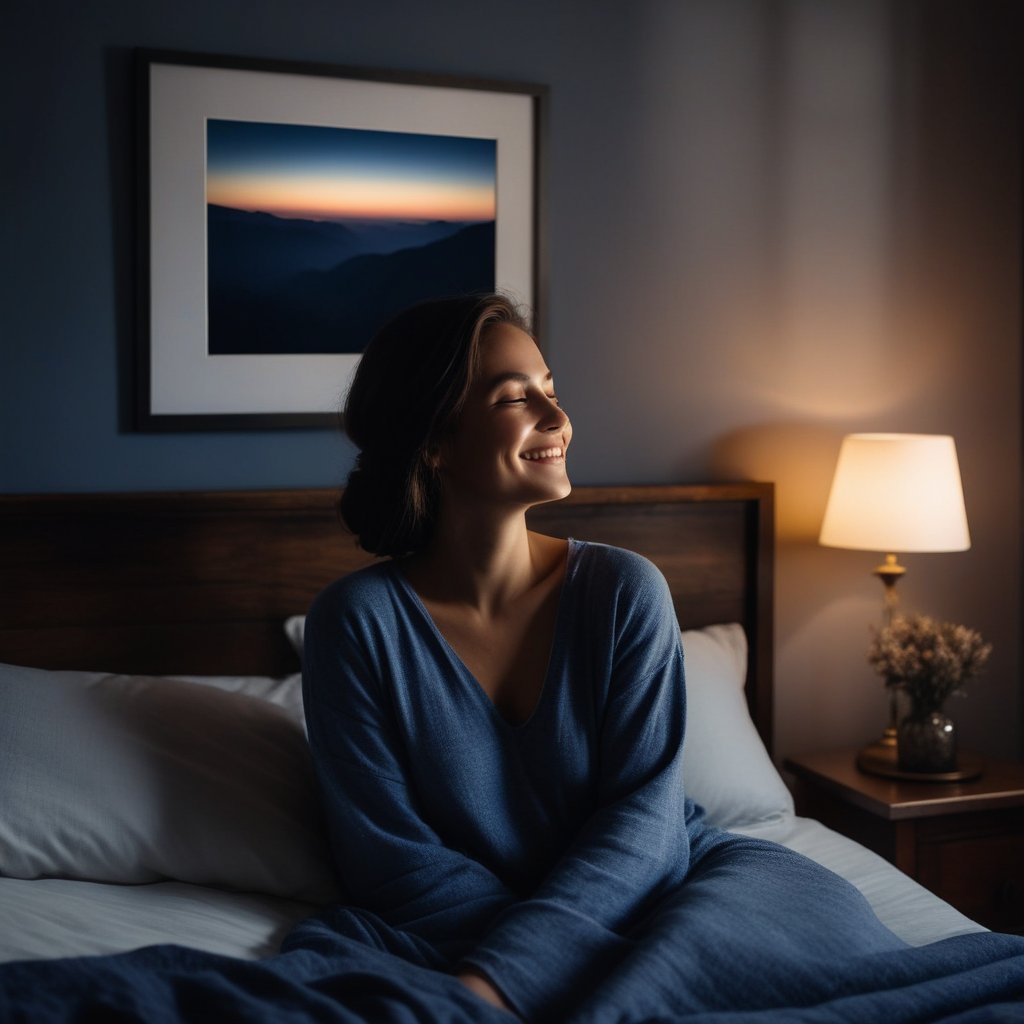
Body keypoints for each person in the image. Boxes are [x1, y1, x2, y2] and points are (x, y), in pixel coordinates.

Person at [298, 293, 944, 1022]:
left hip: (670, 888)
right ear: (434, 443)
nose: (557, 418)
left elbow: (645, 819)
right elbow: (390, 857)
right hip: (456, 928)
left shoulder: (622, 590)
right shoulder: (355, 624)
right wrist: (519, 960)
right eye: (515, 398)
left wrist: (509, 976)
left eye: (551, 390)